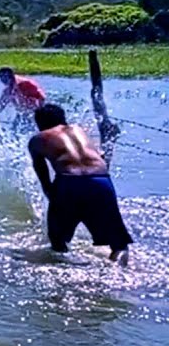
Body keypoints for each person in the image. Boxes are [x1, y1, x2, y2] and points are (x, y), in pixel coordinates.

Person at [27, 103, 133, 264]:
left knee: (58, 242)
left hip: (68, 182)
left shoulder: (38, 139)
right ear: (63, 118)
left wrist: (50, 193)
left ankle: (62, 275)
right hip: (101, 181)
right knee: (119, 245)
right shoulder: (79, 130)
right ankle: (118, 272)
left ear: (39, 123)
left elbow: (41, 170)